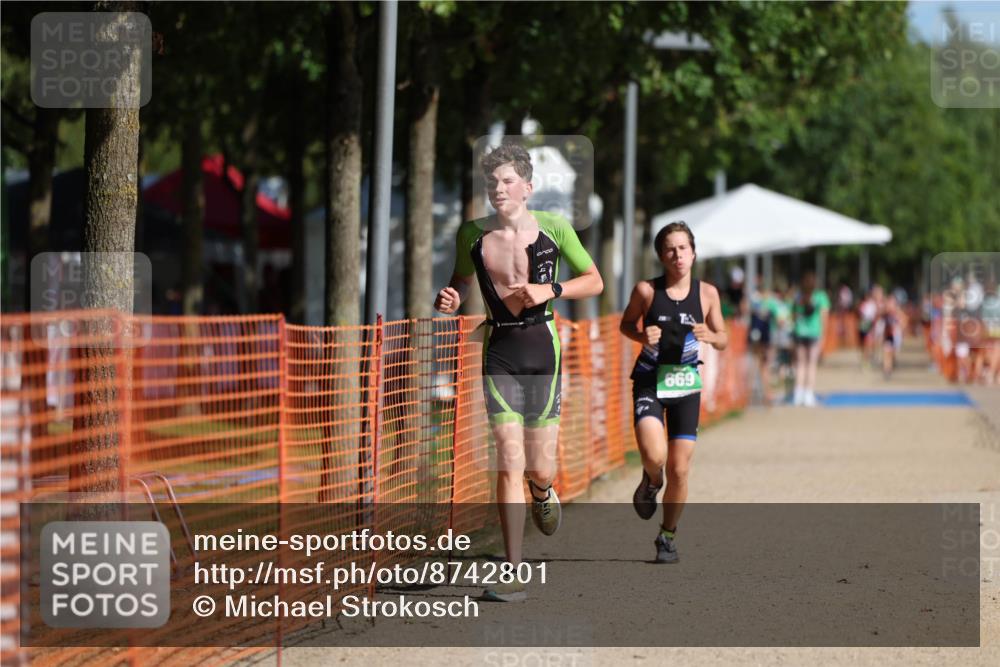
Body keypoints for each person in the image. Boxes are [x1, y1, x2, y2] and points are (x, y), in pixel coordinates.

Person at [434, 143, 603, 601]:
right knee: (508, 459)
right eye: (492, 182)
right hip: (499, 351)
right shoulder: (471, 233)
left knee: (538, 466)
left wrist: (552, 289)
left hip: (542, 349)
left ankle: (543, 491)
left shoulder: (555, 227)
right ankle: (513, 570)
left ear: (527, 187)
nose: (499, 188)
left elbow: (595, 281)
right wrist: (450, 298)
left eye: (508, 181)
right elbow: (459, 282)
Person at [619, 221, 728, 563]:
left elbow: (723, 337)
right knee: (655, 457)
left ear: (693, 253)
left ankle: (667, 536)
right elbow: (626, 324)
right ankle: (652, 480)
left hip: (685, 384)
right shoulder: (646, 291)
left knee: (679, 470)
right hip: (650, 380)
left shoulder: (707, 294)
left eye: (683, 248)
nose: (677, 255)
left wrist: (711, 336)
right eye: (670, 249)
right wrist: (641, 336)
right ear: (661, 256)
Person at [792, 271, 830, 407]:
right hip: (814, 333)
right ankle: (808, 394)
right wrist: (824, 335)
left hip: (799, 333)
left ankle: (798, 394)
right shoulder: (821, 297)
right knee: (811, 364)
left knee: (800, 364)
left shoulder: (798, 296)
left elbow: (794, 315)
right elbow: (824, 318)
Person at [880, 293, 907, 379]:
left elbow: (904, 321)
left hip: (895, 336)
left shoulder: (898, 313)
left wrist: (900, 329)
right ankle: (887, 370)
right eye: (889, 302)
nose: (890, 304)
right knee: (886, 352)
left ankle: (890, 366)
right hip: (887, 335)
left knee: (892, 353)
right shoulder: (886, 312)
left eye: (892, 303)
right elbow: (879, 317)